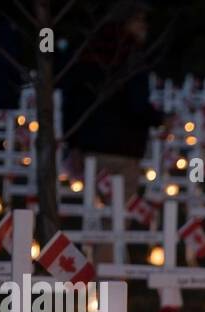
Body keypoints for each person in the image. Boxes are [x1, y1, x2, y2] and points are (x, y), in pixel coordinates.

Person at [61, 1, 164, 198]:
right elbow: (136, 105)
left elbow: (72, 102)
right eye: (139, 21)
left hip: (89, 149)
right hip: (122, 150)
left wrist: (73, 144)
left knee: (92, 211)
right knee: (117, 216)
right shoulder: (131, 58)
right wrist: (160, 119)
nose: (145, 27)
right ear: (124, 23)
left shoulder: (88, 52)